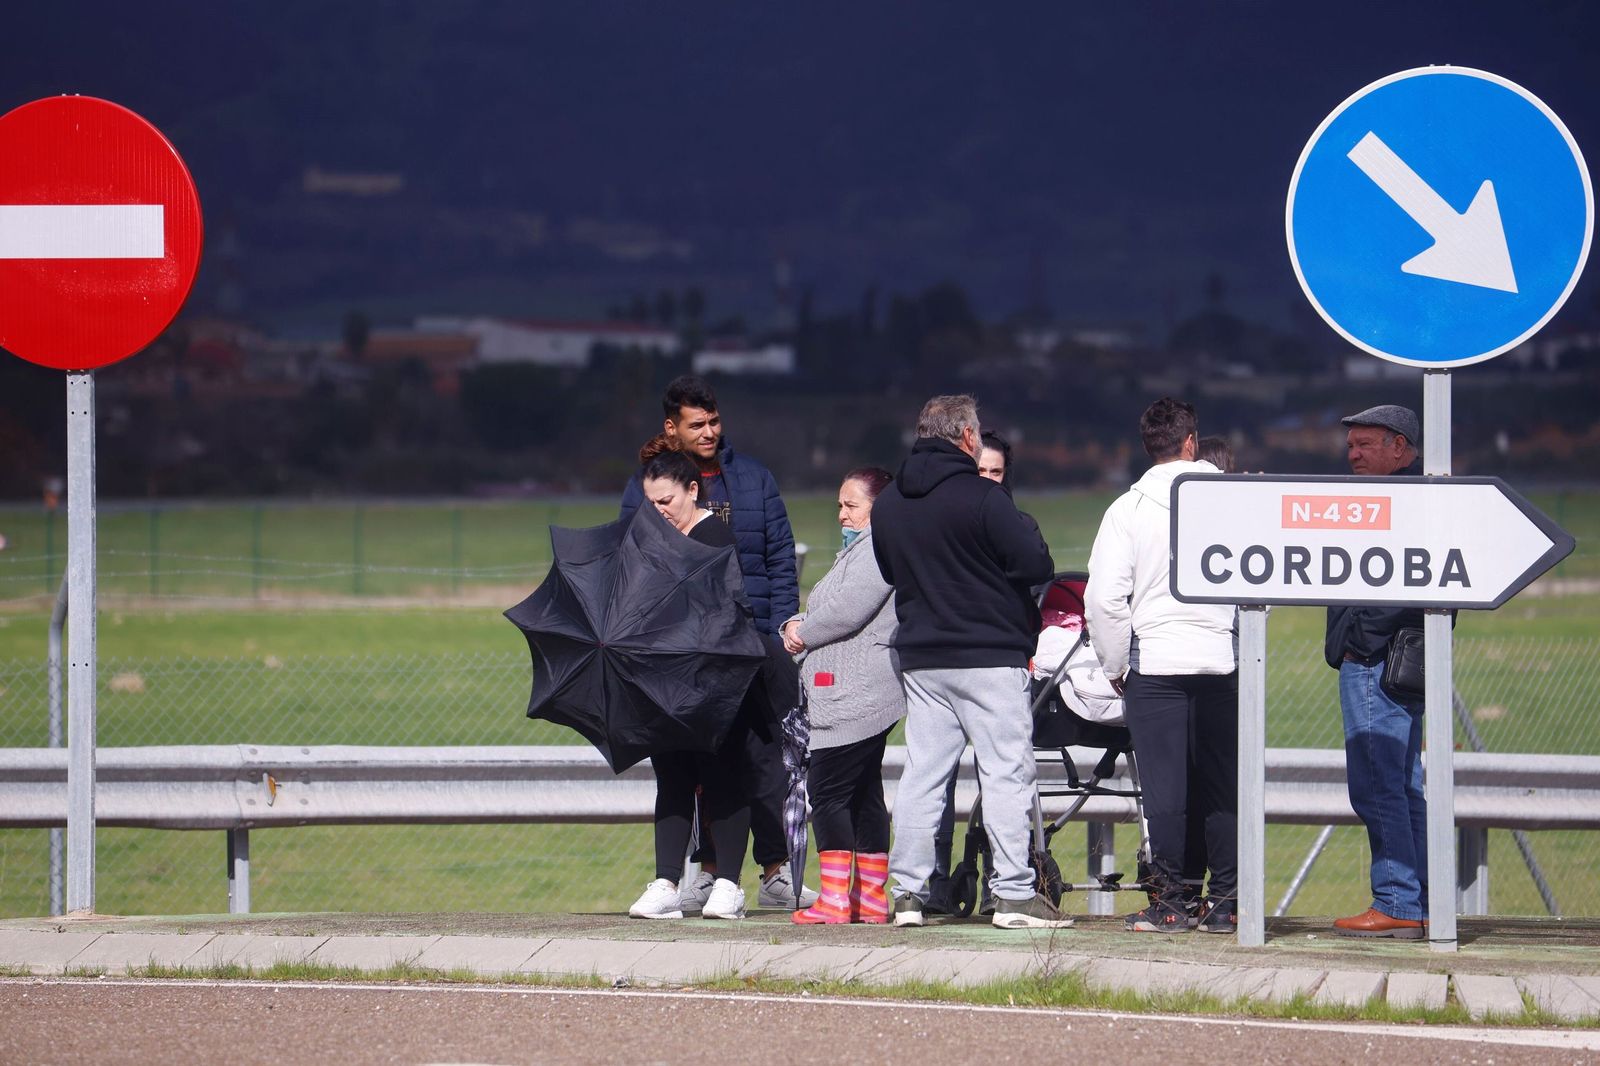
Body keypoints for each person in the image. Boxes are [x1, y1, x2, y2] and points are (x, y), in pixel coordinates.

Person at [870, 394, 1071, 930]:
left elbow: (890, 572)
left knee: (923, 775)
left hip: (921, 657)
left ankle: (908, 894)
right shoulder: (983, 499)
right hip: (988, 654)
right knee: (1006, 772)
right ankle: (1012, 894)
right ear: (965, 437)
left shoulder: (888, 503)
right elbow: (1034, 564)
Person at [620, 376, 816, 911]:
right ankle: (700, 876)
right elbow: (627, 562)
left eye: (714, 422)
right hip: (675, 658)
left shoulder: (752, 479)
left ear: (690, 495)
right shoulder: (647, 489)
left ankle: (769, 873)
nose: (709, 432)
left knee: (757, 764)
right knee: (691, 770)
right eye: (697, 424)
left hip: (747, 644)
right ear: (672, 427)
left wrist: (776, 635)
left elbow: (779, 559)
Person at [1084, 397, 1239, 933]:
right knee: (1222, 785)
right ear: (1192, 443)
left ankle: (1172, 903)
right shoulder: (1231, 500)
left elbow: (1104, 598)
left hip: (1154, 661)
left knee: (1165, 791)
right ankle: (1226, 904)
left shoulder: (1127, 510)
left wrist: (1114, 664)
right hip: (1223, 658)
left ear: (1148, 447)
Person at [627, 450, 757, 921]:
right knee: (673, 779)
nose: (658, 510)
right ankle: (666, 882)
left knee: (721, 777)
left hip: (712, 680)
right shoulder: (650, 539)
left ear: (692, 490)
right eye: (651, 501)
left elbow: (717, 609)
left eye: (666, 500)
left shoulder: (713, 536)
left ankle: (728, 885)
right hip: (665, 682)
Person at [779, 466, 904, 924]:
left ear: (878, 507)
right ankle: (869, 898)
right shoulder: (869, 548)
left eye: (851, 505)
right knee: (864, 793)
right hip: (862, 693)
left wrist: (800, 633)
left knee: (827, 790)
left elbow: (847, 612)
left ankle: (834, 898)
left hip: (855, 695)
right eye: (839, 505)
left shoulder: (875, 550)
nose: (842, 515)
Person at [1326, 404, 1431, 940]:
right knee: (1404, 785)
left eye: (1366, 444)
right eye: (1351, 445)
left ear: (1400, 446)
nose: (1354, 454)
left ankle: (1396, 901)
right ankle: (1418, 901)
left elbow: (1406, 578)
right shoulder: (1423, 495)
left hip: (1378, 663)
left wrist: (1356, 645)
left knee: (1377, 786)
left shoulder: (1403, 500)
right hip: (1406, 661)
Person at [925, 428, 1037, 915]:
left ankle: (1001, 883)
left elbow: (1038, 578)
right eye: (980, 472)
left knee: (1001, 776)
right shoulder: (949, 523)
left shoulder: (1018, 522)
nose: (989, 480)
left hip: (997, 655)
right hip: (967, 660)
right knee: (937, 777)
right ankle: (933, 883)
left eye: (996, 472)